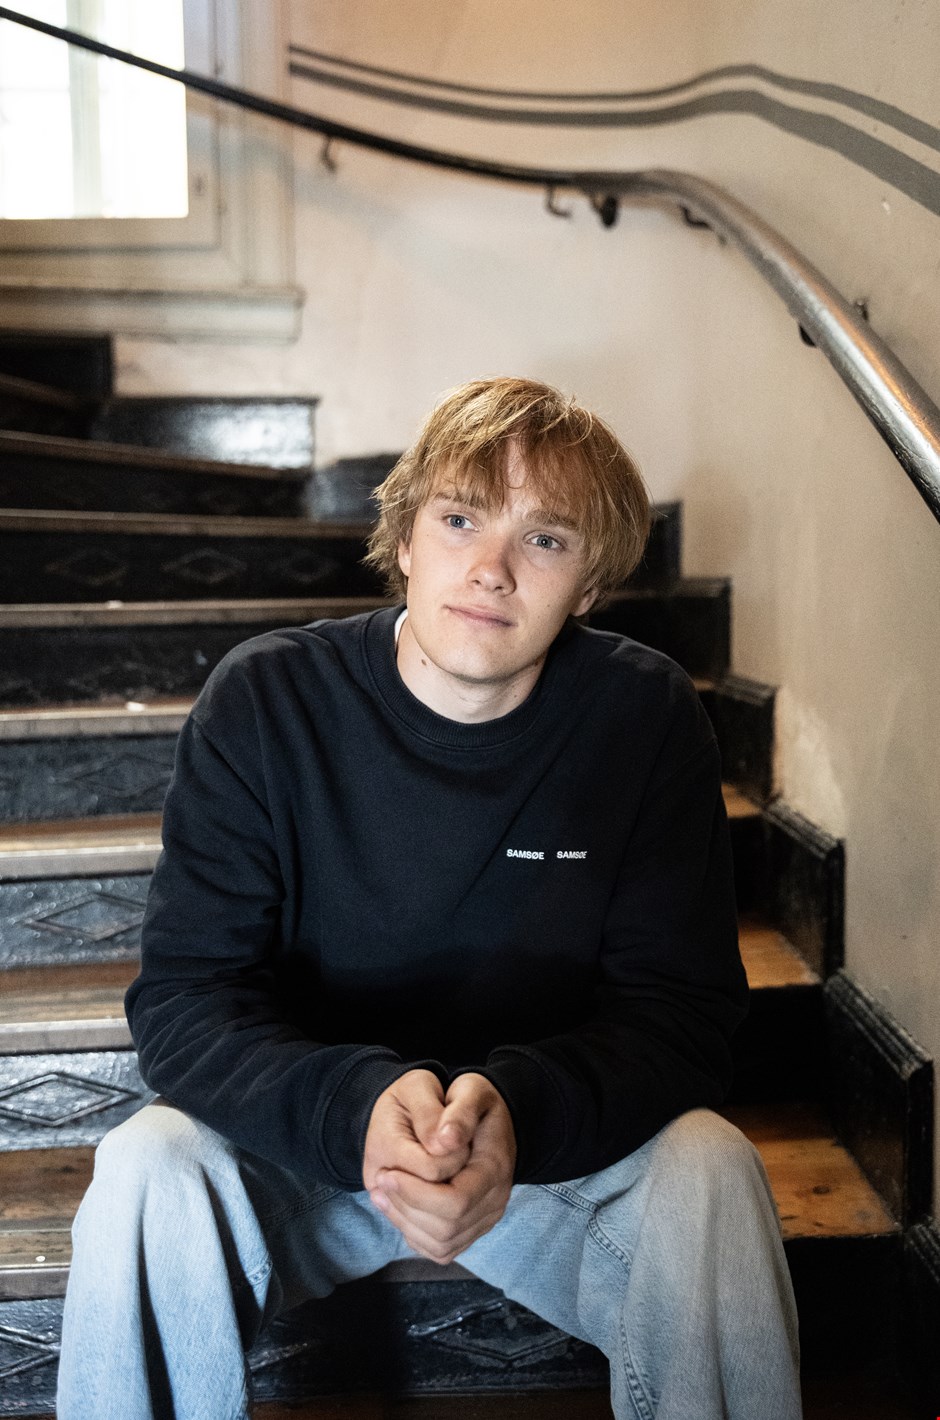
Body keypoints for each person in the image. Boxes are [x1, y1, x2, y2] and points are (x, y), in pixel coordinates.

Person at [57, 377, 802, 1419]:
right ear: (404, 537)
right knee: (147, 1164)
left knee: (712, 1166)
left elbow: (682, 1014)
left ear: (589, 586)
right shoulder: (268, 699)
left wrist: (519, 1113)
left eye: (546, 539)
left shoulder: (643, 717)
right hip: (312, 1151)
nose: (492, 567)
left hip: (539, 1163)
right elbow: (186, 1000)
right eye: (459, 520)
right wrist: (353, 1105)